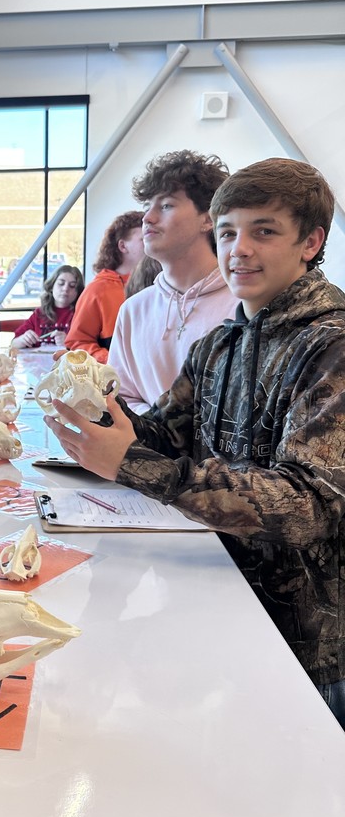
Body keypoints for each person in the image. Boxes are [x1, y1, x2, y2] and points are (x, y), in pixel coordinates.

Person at [46, 157, 345, 730]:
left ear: (311, 242)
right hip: (220, 595)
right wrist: (99, 416)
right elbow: (164, 432)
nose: (240, 249)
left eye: (264, 231)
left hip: (309, 639)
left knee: (296, 802)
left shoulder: (330, 347)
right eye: (229, 231)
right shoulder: (221, 345)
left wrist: (136, 465)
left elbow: (308, 505)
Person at [108, 150, 237, 411]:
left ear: (207, 219)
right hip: (146, 450)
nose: (147, 218)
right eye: (147, 207)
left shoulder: (243, 305)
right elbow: (123, 400)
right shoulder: (133, 310)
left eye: (166, 205)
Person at [63, 211, 143, 361]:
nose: (151, 242)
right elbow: (77, 342)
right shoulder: (97, 290)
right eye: (143, 239)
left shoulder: (161, 284)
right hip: (113, 380)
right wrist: (113, 361)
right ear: (123, 246)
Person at [10, 264, 84, 349]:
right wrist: (23, 340)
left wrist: (69, 343)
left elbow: (88, 349)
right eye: (61, 283)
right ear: (52, 286)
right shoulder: (39, 313)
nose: (65, 289)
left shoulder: (81, 315)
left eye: (72, 286)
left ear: (78, 292)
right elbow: (13, 343)